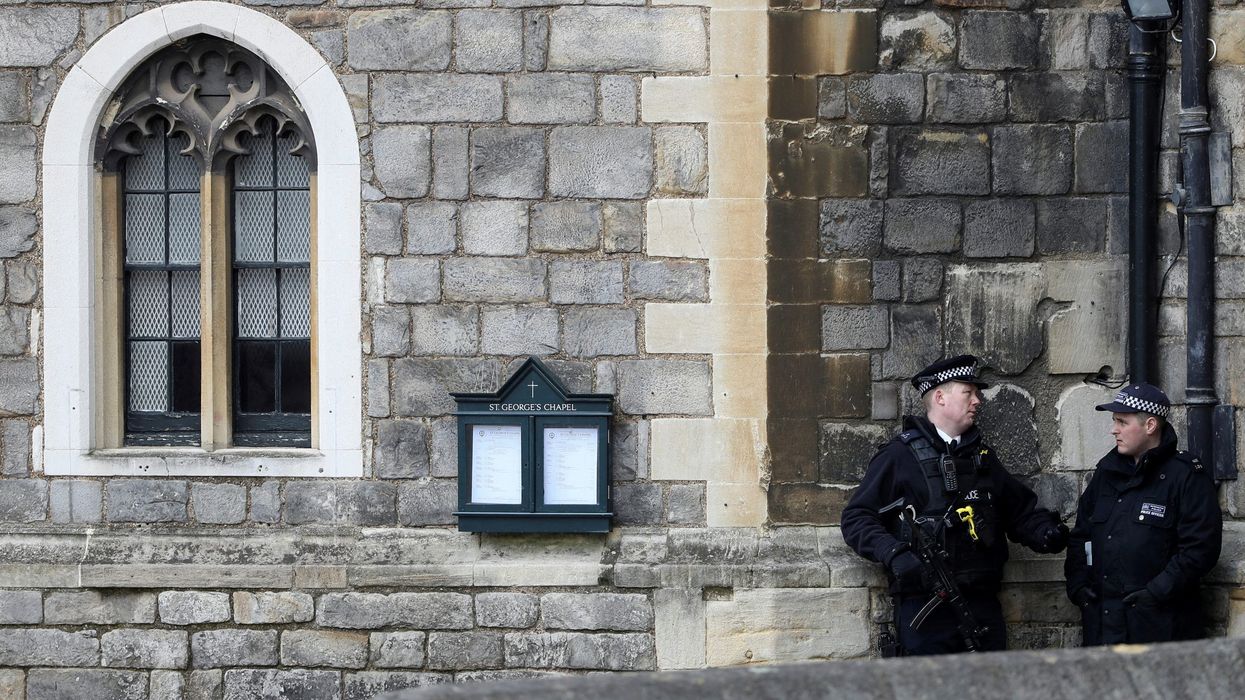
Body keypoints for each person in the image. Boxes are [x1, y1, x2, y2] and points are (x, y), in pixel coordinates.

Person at [841, 354, 1068, 655]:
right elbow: (857, 517)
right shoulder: (899, 456)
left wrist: (1045, 533)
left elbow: (1019, 512)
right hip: (925, 609)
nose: (977, 401)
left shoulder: (982, 459)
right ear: (940, 397)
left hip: (981, 604)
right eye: (968, 392)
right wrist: (894, 554)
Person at [1064, 383, 1222, 646]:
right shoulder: (1107, 472)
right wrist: (1078, 586)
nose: (1114, 430)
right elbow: (1081, 535)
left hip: (1159, 627)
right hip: (1103, 626)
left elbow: (1200, 548)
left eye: (1122, 422)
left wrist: (1155, 594)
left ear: (1150, 426)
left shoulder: (1184, 475)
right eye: (1115, 421)